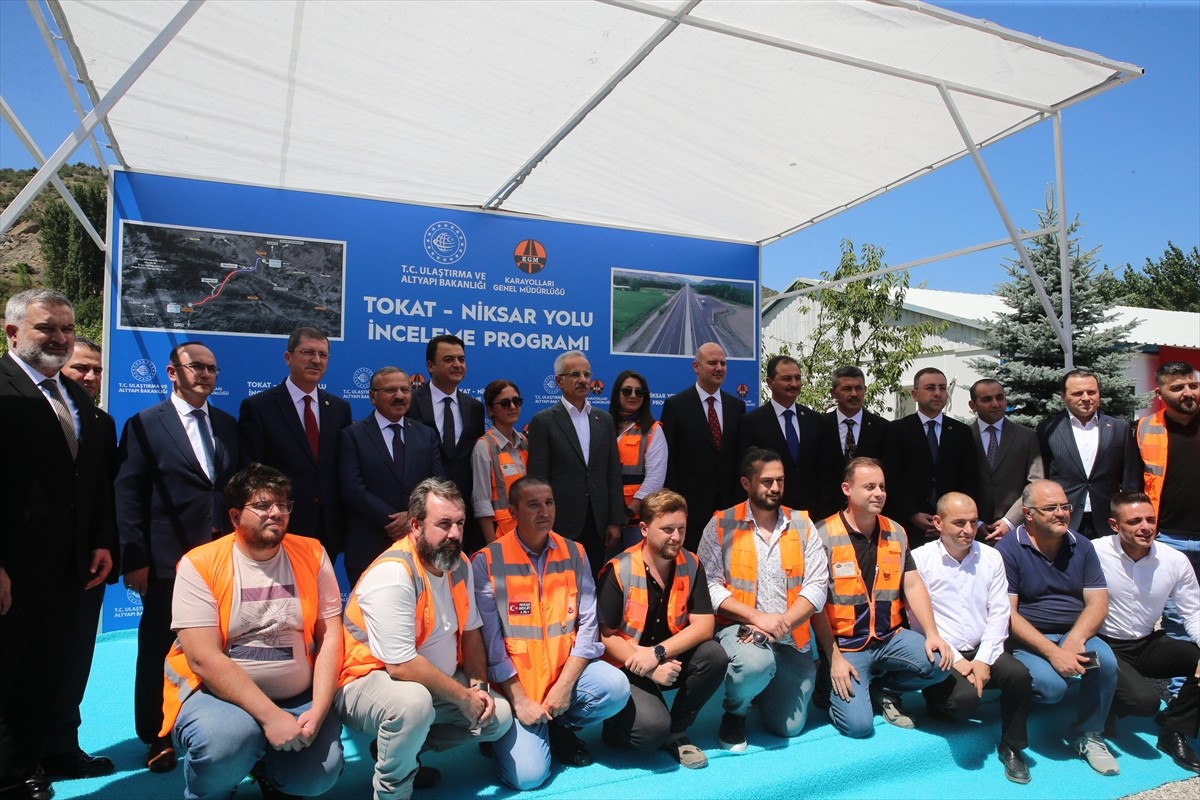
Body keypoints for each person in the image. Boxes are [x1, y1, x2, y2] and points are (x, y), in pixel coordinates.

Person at [163, 463, 344, 800]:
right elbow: (202, 659)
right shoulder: (199, 564)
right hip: (218, 698)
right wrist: (271, 717)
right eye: (262, 506)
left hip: (298, 697)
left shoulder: (313, 553)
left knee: (319, 775)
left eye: (283, 504)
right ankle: (216, 786)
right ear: (234, 517)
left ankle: (272, 773)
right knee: (225, 743)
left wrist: (318, 711)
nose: (276, 513)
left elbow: (331, 636)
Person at [1, 290, 114, 800]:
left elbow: (92, 486)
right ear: (12, 333)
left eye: (66, 330)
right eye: (47, 328)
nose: (60, 339)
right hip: (12, 570)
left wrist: (100, 542)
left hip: (68, 569)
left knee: (47, 670)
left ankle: (31, 762)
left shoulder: (78, 401)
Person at [336, 478, 513, 799]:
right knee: (413, 707)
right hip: (364, 681)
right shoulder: (393, 575)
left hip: (434, 682)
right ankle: (392, 792)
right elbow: (401, 666)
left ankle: (399, 745)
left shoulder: (460, 565)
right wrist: (462, 698)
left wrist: (478, 689)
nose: (455, 534)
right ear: (415, 526)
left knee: (497, 718)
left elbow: (472, 632)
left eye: (460, 523)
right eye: (444, 524)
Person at [116, 340, 239, 773]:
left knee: (221, 645)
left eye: (212, 368)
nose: (205, 374)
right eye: (196, 367)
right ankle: (157, 735)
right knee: (157, 647)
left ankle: (218, 726)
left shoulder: (227, 424)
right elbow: (128, 495)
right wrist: (134, 558)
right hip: (167, 560)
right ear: (173, 373)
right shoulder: (145, 424)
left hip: (222, 559)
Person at [472, 478, 630, 790]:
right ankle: (507, 735)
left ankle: (558, 727)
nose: (545, 511)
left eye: (549, 502)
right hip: (516, 686)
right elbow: (490, 644)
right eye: (533, 504)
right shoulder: (487, 561)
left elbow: (588, 628)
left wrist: (565, 686)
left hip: (563, 676)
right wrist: (518, 699)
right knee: (528, 779)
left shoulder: (575, 553)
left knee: (615, 688)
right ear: (512, 512)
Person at [810, 457, 953, 738]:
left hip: (889, 637)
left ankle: (885, 689)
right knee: (859, 727)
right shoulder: (822, 535)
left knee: (940, 663)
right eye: (869, 487)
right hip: (846, 647)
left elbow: (912, 584)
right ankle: (825, 682)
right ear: (847, 489)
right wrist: (834, 656)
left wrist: (933, 634)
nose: (879, 493)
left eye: (882, 487)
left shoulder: (896, 532)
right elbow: (814, 605)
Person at [697, 448, 829, 751]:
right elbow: (710, 586)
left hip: (791, 635)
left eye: (780, 481)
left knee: (789, 728)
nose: (775, 488)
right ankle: (736, 712)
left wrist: (783, 622)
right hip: (741, 631)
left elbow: (817, 585)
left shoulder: (802, 524)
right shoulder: (720, 524)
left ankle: (766, 688)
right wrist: (757, 618)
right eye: (767, 481)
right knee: (755, 665)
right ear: (746, 483)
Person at [996, 479, 1120, 775]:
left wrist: (1076, 638)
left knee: (1105, 663)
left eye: (1065, 506)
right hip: (1029, 638)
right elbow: (1008, 615)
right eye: (1050, 508)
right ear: (1028, 514)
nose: (1061, 513)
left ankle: (1089, 734)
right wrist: (1054, 653)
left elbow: (1098, 602)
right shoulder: (1008, 550)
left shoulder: (1082, 546)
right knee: (1052, 689)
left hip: (1071, 631)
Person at [912, 493, 1035, 784]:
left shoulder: (991, 556)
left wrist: (981, 660)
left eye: (972, 521)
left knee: (1020, 676)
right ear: (939, 523)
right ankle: (937, 700)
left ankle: (1013, 746)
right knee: (962, 704)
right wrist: (955, 660)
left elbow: (999, 612)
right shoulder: (921, 559)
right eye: (959, 523)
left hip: (983, 648)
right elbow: (917, 621)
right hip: (943, 651)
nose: (968, 530)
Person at [598, 490, 727, 768]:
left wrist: (657, 655)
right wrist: (646, 665)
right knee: (650, 734)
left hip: (663, 656)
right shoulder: (619, 569)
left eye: (681, 528)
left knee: (714, 655)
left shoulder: (691, 563)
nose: (677, 537)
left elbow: (705, 626)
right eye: (667, 529)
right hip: (626, 664)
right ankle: (620, 724)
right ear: (644, 529)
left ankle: (678, 731)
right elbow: (604, 636)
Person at [44, 336, 119, 781]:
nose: (90, 378)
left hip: (85, 568)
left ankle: (62, 748)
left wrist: (106, 544)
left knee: (75, 660)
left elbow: (106, 495)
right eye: (80, 369)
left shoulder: (102, 423)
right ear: (58, 370)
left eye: (97, 371)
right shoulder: (26, 415)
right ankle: (20, 755)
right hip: (31, 566)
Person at [1095, 490, 1200, 774]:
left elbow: (1192, 612)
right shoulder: (1093, 552)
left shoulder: (1174, 559)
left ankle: (1174, 730)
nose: (1146, 527)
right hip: (1104, 644)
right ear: (1115, 525)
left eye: (1150, 519)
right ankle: (1109, 703)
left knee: (1197, 658)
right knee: (1145, 703)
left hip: (1145, 642)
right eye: (1135, 521)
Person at [238, 327, 352, 556]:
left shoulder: (339, 409)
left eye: (322, 354)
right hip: (280, 523)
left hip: (328, 526)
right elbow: (251, 470)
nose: (316, 360)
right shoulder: (259, 407)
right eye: (308, 352)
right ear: (288, 358)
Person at [339, 367, 445, 585]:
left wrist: (411, 517)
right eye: (390, 390)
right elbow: (352, 488)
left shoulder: (426, 434)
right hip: (368, 544)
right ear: (372, 397)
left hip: (417, 544)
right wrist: (393, 519)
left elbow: (438, 484)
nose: (399, 396)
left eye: (405, 390)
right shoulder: (352, 435)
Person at [526, 350, 624, 574]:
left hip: (598, 522)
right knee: (560, 583)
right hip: (560, 521)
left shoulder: (603, 419)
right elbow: (538, 478)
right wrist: (543, 519)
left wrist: (615, 520)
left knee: (594, 581)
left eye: (586, 374)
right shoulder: (544, 420)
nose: (583, 380)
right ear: (559, 381)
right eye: (575, 374)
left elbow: (611, 473)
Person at [1134, 361, 1199, 671]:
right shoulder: (1146, 429)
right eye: (1178, 387)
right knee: (1176, 619)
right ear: (1160, 393)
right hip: (1168, 538)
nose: (1188, 392)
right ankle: (1181, 694)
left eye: (1193, 385)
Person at [1037, 368, 1142, 539]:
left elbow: (1130, 479)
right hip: (1064, 519)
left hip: (1108, 520)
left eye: (1092, 392)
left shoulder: (1119, 428)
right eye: (1078, 393)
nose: (1086, 398)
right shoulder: (1048, 429)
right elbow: (1043, 477)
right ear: (1063, 396)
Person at [661, 342, 746, 551]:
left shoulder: (737, 407)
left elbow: (740, 458)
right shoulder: (676, 406)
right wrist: (676, 506)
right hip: (691, 509)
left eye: (723, 363)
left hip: (730, 508)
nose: (719, 368)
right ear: (696, 367)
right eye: (712, 363)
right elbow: (669, 461)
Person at [882, 367, 979, 545]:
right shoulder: (898, 430)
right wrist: (912, 514)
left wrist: (953, 518)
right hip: (908, 526)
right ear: (914, 394)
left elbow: (970, 477)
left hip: (953, 528)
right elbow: (891, 477)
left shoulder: (961, 432)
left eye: (942, 388)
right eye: (930, 388)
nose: (937, 393)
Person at [408, 335, 486, 552]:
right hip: (424, 510)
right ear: (430, 366)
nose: (457, 364)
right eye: (449, 359)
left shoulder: (474, 408)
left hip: (464, 512)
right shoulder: (411, 402)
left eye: (461, 359)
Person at [737, 355, 834, 520]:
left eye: (797, 378)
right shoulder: (752, 421)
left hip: (812, 513)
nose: (794, 384)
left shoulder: (815, 420)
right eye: (787, 379)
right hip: (768, 510)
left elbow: (825, 469)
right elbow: (746, 468)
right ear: (770, 382)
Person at [968, 379, 1043, 542]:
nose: (995, 404)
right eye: (987, 399)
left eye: (999, 398)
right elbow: (957, 484)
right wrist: (976, 521)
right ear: (973, 405)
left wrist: (1010, 522)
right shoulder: (963, 436)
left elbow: (1035, 484)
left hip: (1017, 531)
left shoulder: (1027, 437)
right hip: (972, 532)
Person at [608, 370, 667, 548]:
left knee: (635, 572)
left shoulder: (653, 430)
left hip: (636, 521)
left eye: (639, 392)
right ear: (617, 394)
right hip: (605, 520)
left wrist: (627, 513)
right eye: (627, 391)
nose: (633, 396)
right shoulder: (602, 426)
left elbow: (655, 479)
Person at [471, 380, 528, 544]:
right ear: (490, 410)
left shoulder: (524, 442)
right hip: (500, 537)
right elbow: (482, 502)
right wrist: (492, 548)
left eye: (516, 402)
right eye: (505, 403)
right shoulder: (484, 446)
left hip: (527, 533)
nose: (512, 407)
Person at [824, 366, 887, 464]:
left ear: (865, 390)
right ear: (833, 393)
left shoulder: (882, 428)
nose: (854, 394)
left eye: (858, 388)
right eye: (847, 389)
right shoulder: (820, 425)